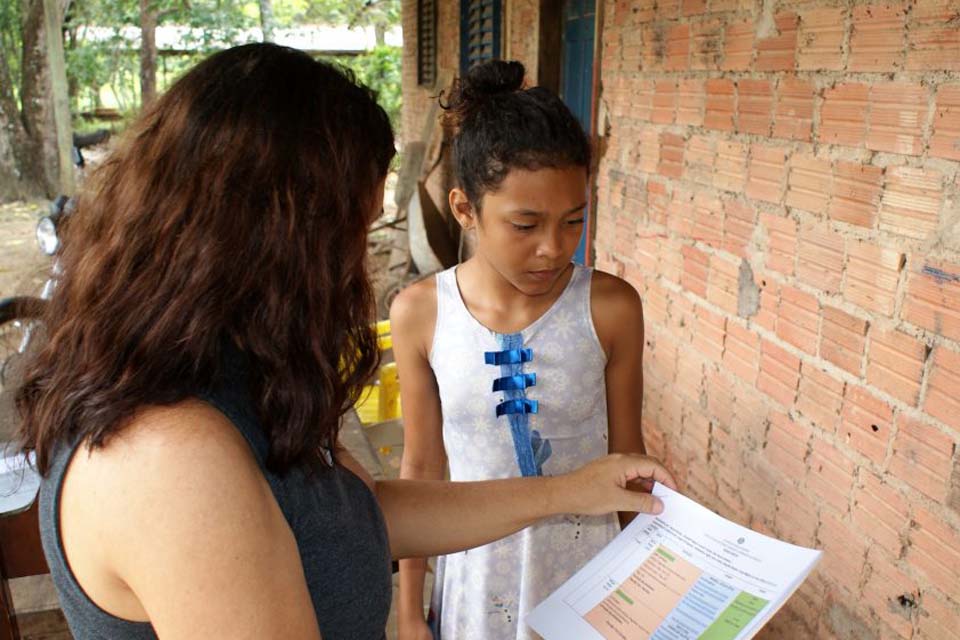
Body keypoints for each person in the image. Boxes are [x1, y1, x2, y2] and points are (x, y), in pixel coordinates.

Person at [14, 44, 674, 640]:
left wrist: (571, 491)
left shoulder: (234, 371)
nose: (355, 269)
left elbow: (357, 513)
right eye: (348, 238)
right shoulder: (171, 458)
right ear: (273, 242)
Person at [393, 60, 651, 640]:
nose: (553, 249)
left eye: (573, 221)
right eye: (525, 224)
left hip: (588, 576)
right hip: (475, 575)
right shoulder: (420, 313)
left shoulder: (610, 308)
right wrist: (409, 612)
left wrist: (649, 598)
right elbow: (422, 470)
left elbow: (629, 462)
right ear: (466, 210)